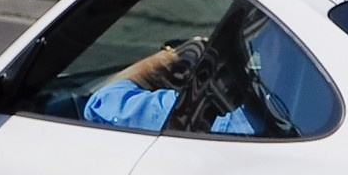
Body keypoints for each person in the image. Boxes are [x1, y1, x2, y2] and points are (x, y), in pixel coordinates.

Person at [83, 41, 258, 135]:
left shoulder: (225, 120)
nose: (256, 46)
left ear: (275, 47)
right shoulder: (275, 114)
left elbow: (103, 104)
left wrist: (166, 60)